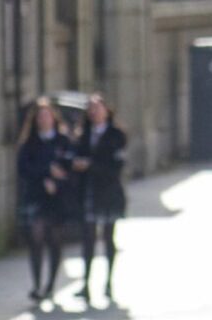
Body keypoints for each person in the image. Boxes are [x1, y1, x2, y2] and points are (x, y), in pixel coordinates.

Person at [15, 97, 75, 306]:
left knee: (55, 240)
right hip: (36, 195)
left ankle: (50, 285)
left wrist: (57, 183)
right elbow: (23, 169)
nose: (44, 119)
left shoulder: (63, 141)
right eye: (40, 116)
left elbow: (69, 169)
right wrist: (45, 173)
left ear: (53, 117)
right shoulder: (30, 143)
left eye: (47, 115)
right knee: (36, 238)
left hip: (58, 198)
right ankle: (37, 284)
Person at [72, 93, 129, 306]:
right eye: (91, 108)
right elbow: (74, 155)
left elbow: (116, 166)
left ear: (107, 110)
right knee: (87, 239)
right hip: (89, 192)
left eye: (98, 107)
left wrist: (90, 166)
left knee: (108, 238)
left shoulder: (116, 135)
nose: (94, 112)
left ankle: (108, 282)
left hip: (109, 192)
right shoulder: (83, 135)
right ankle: (86, 284)